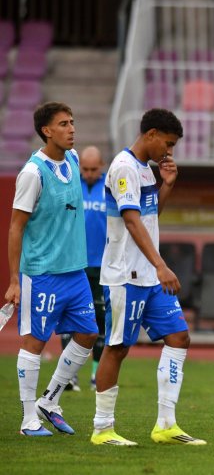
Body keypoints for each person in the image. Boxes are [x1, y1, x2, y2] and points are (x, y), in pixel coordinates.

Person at [92, 108, 205, 446]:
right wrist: (160, 265)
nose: (168, 152)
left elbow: (150, 215)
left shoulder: (144, 170)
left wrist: (166, 186)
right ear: (151, 133)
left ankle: (166, 425)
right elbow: (131, 221)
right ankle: (102, 428)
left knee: (179, 337)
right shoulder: (124, 167)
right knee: (118, 348)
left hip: (149, 278)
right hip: (126, 274)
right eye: (167, 144)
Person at [6, 102, 100, 437]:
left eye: (73, 122)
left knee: (88, 333)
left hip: (75, 272)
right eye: (63, 123)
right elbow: (16, 227)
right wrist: (14, 280)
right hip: (42, 273)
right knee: (35, 342)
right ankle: (28, 418)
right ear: (47, 131)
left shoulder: (74, 160)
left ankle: (50, 399)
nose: (72, 128)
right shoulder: (33, 173)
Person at [59, 145, 107, 393]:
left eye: (93, 169)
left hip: (102, 267)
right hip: (73, 263)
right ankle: (69, 377)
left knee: (100, 321)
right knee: (69, 319)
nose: (88, 173)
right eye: (85, 169)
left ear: (101, 166)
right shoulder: (70, 185)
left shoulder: (110, 187)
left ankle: (95, 375)